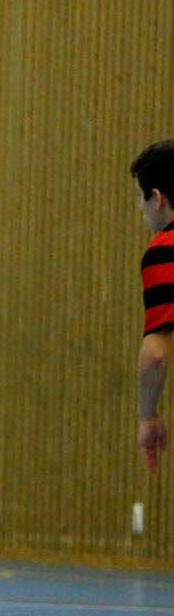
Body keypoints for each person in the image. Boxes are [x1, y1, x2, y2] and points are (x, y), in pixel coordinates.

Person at [132, 138, 174, 473]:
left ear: (158, 199)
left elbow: (156, 353)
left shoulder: (166, 249)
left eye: (141, 199)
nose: (142, 209)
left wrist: (148, 414)